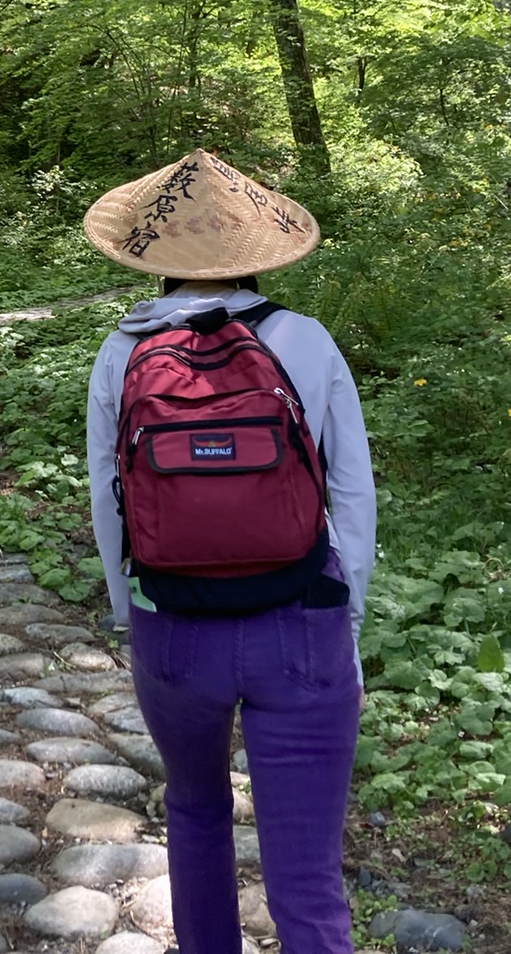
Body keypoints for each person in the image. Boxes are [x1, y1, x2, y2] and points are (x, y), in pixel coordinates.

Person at [82, 149, 376, 954]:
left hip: (174, 629)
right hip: (301, 627)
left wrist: (128, 609)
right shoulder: (306, 341)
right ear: (256, 250)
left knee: (197, 810)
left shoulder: (122, 351)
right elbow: (350, 494)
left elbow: (110, 502)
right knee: (308, 873)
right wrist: (346, 613)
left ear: (155, 257)